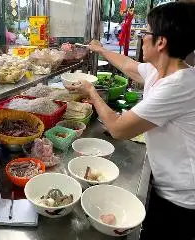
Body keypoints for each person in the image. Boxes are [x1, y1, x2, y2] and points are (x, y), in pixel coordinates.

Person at [68, 2, 195, 239]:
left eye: (145, 32)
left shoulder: (178, 85)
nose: (141, 37)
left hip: (181, 198)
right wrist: (101, 49)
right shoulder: (162, 71)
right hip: (168, 183)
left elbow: (118, 129)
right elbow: (128, 66)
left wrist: (91, 91)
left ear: (161, 42)